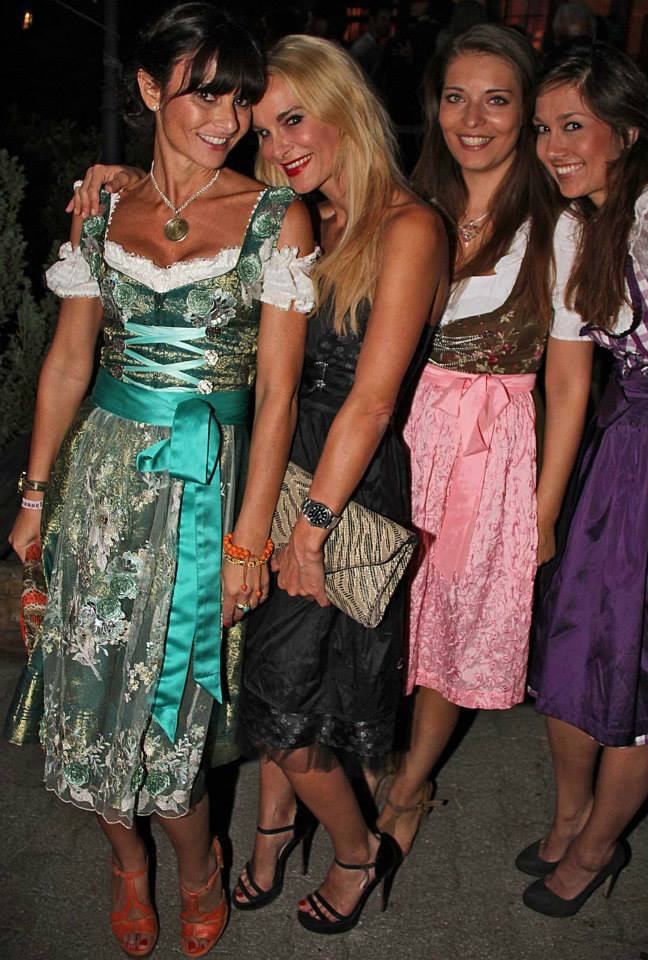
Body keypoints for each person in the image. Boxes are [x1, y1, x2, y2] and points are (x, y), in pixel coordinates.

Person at [6, 4, 315, 957]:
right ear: (148, 89)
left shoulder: (275, 217)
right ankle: (126, 864)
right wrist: (33, 495)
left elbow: (277, 395)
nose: (228, 119)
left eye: (240, 99)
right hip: (102, 480)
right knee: (85, 679)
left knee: (174, 703)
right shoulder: (102, 206)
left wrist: (248, 540)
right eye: (205, 94)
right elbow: (68, 362)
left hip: (205, 488)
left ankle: (197, 865)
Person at [231, 36, 447, 934]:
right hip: (280, 462)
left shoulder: (409, 226)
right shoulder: (303, 219)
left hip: (342, 482)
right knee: (283, 678)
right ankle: (275, 829)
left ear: (343, 108)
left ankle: (359, 853)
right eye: (262, 130)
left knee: (281, 695)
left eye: (293, 118)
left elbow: (372, 399)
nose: (277, 145)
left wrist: (311, 530)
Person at [373, 23, 594, 857]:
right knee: (389, 611)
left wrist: (543, 510)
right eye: (456, 98)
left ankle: (410, 785)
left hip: (489, 452)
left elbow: (569, 385)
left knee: (453, 625)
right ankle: (379, 751)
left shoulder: (558, 228)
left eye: (497, 100)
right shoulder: (407, 203)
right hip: (399, 437)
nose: (473, 119)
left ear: (525, 112)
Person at [519, 43, 648, 918]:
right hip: (621, 455)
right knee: (575, 645)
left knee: (647, 662)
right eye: (543, 129)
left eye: (574, 126)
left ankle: (599, 847)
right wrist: (544, 511)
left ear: (626, 131)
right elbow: (569, 379)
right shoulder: (586, 222)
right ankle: (571, 820)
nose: (554, 146)